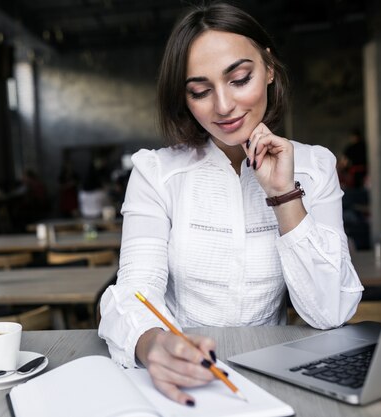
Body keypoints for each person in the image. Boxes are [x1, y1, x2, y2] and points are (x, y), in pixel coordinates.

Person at [97, 2, 363, 407]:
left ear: (269, 68)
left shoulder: (314, 167)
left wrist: (283, 195)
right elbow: (135, 293)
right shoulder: (156, 173)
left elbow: (330, 313)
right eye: (200, 91)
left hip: (275, 377)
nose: (222, 106)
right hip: (182, 378)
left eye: (239, 78)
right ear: (184, 98)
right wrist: (153, 345)